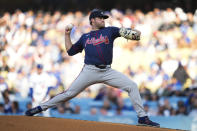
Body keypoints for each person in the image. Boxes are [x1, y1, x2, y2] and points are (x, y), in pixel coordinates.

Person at [25, 9, 160, 127]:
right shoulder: (85, 37)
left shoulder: (110, 31)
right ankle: (38, 109)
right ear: (92, 20)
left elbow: (132, 34)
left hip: (107, 71)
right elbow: (70, 51)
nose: (103, 20)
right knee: (68, 94)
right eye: (100, 18)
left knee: (132, 86)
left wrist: (133, 32)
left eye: (104, 18)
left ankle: (143, 118)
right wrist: (67, 35)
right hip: (89, 71)